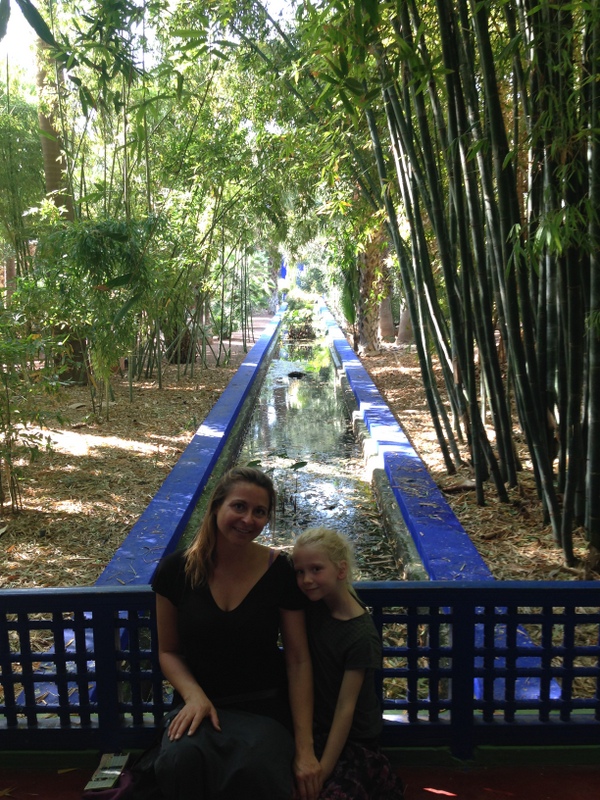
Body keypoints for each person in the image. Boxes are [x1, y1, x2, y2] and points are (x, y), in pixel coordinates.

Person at [151, 466, 322, 800]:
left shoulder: (280, 571)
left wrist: (306, 749)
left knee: (256, 767)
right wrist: (194, 696)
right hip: (197, 705)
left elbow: (298, 660)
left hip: (264, 707)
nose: (248, 520)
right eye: (239, 506)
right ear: (217, 506)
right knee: (180, 762)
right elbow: (168, 651)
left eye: (260, 512)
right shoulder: (176, 570)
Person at [292, 527, 404, 800]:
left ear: (341, 570)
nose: (306, 580)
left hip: (354, 740)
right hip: (316, 729)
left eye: (316, 569)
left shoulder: (361, 636)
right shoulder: (315, 603)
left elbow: (346, 709)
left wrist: (323, 772)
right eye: (300, 572)